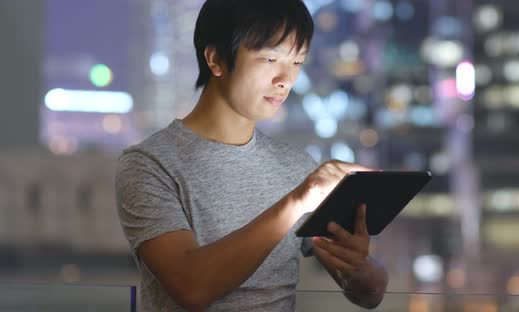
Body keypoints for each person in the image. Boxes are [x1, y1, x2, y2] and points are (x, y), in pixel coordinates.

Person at [116, 0, 388, 310]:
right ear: (216, 59)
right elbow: (191, 287)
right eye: (270, 58)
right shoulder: (149, 165)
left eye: (297, 62)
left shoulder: (296, 167)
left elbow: (369, 293)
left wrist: (359, 266)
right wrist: (296, 202)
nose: (285, 79)